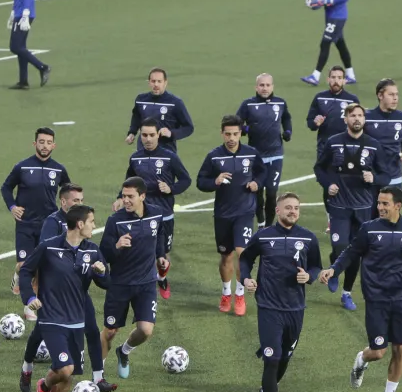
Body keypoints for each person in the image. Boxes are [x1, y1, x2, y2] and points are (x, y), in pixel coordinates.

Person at [322, 186, 402, 392]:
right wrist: (334, 270)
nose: (380, 207)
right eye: (379, 203)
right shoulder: (369, 229)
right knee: (378, 351)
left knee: (400, 348)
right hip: (376, 298)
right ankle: (362, 359)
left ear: (398, 206)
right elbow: (351, 253)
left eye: (385, 203)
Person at [239, 193, 324, 392]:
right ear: (277, 211)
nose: (293, 211)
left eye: (296, 208)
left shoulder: (308, 237)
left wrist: (309, 276)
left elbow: (316, 266)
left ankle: (267, 391)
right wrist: (246, 278)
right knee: (272, 358)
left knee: (285, 357)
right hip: (269, 308)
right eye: (288, 208)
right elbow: (246, 258)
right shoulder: (263, 236)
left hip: (296, 309)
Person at [19, 184, 116, 392]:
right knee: (41, 337)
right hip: (51, 302)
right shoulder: (51, 235)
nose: (94, 225)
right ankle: (28, 368)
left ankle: (98, 378)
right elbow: (30, 268)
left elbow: (107, 283)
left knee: (90, 331)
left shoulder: (92, 250)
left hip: (77, 301)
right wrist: (30, 297)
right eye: (91, 221)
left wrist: (100, 273)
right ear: (79, 223)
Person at [313, 102, 382, 311]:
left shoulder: (373, 145)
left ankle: (347, 293)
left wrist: (375, 177)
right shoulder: (333, 142)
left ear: (364, 119)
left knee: (357, 252)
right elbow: (319, 168)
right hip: (339, 205)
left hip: (363, 208)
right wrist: (329, 184)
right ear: (346, 119)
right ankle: (335, 268)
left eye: (360, 115)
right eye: (353, 115)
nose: (357, 119)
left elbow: (386, 173)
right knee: (341, 247)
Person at [196, 115, 266, 316]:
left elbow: (263, 173)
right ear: (222, 134)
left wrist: (257, 183)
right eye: (228, 134)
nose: (231, 138)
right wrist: (214, 181)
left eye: (235, 134)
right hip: (222, 214)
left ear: (241, 133)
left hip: (244, 212)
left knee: (241, 252)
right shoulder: (214, 156)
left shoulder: (252, 154)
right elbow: (201, 181)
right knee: (226, 256)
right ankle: (226, 292)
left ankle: (240, 293)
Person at [100, 178, 168, 379]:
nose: (126, 200)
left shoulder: (156, 214)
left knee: (146, 330)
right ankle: (98, 375)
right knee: (110, 331)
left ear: (142, 196)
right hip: (120, 284)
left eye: (130, 196)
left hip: (146, 283)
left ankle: (125, 350)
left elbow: (160, 235)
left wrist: (161, 256)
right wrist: (117, 246)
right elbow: (103, 255)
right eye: (124, 196)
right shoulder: (115, 221)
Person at [116, 117, 192, 300]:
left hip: (164, 216)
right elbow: (128, 183)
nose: (148, 139)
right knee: (142, 251)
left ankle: (162, 277)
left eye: (151, 135)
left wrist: (170, 189)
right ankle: (143, 286)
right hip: (140, 215)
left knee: (162, 256)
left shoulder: (169, 157)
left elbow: (185, 180)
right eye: (144, 135)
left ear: (158, 134)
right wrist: (120, 198)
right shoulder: (135, 158)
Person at [1, 127, 72, 319]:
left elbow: (68, 192)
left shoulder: (58, 169)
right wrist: (12, 207)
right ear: (35, 144)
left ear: (54, 145)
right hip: (25, 224)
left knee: (40, 267)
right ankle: (18, 276)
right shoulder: (22, 167)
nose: (45, 146)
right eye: (41, 142)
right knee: (23, 264)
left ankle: (29, 306)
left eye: (49, 142)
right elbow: (6, 188)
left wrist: (68, 212)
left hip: (48, 226)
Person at [236, 73, 292, 227]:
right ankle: (260, 223)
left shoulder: (280, 103)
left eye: (268, 85)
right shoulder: (248, 104)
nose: (265, 88)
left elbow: (286, 118)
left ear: (272, 86)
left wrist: (288, 132)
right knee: (257, 192)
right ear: (256, 87)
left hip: (275, 155)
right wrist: (245, 128)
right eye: (262, 85)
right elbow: (237, 122)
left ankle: (268, 226)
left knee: (272, 193)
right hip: (256, 156)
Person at [300, 0, 356, 86]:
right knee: (340, 44)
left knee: (325, 43)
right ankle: (351, 75)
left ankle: (315, 76)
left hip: (338, 16)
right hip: (330, 15)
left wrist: (326, 0)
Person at [364, 78, 402, 214]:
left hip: (394, 174)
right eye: (391, 95)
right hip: (371, 175)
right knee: (370, 215)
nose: (395, 98)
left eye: (396, 94)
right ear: (380, 96)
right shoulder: (367, 118)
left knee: (391, 215)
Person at [6, 0, 51, 89]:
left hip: (24, 14)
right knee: (20, 47)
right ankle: (23, 81)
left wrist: (24, 14)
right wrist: (13, 13)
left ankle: (42, 67)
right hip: (19, 13)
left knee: (15, 47)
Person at [125, 67, 195, 153]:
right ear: (149, 82)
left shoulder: (175, 102)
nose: (156, 84)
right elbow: (136, 117)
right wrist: (132, 133)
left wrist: (171, 133)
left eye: (159, 81)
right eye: (153, 81)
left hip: (166, 152)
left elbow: (188, 127)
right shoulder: (141, 99)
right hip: (142, 151)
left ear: (165, 83)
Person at [306, 66, 360, 149]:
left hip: (346, 147)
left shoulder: (352, 100)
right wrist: (315, 123)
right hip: (324, 147)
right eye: (333, 77)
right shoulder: (320, 97)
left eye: (339, 78)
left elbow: (359, 123)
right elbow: (310, 121)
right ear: (328, 80)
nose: (336, 81)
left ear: (344, 81)